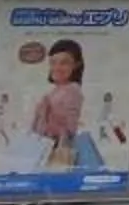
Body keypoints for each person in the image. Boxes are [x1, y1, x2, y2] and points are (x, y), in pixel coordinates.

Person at [30, 39, 87, 169]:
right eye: (53, 62)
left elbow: (70, 127)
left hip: (54, 148)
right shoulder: (56, 90)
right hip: (46, 146)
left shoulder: (72, 90)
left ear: (76, 65)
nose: (57, 68)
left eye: (64, 63)